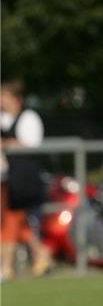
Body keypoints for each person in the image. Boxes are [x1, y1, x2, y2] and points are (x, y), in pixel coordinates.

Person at [0, 80, 51, 279]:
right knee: (16, 221)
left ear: (17, 99)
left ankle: (7, 266)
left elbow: (32, 143)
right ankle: (41, 255)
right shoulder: (4, 118)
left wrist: (6, 144)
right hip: (8, 177)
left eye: (5, 96)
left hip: (23, 178)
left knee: (13, 220)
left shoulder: (29, 118)